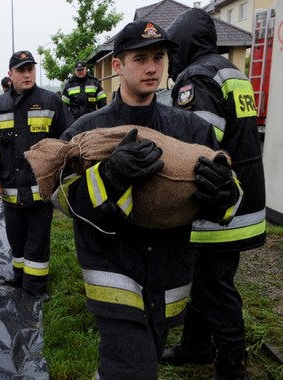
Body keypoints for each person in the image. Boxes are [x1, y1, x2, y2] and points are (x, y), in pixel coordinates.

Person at [56, 20, 242, 379]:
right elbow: (62, 198)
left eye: (159, 57)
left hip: (171, 275)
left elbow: (230, 196)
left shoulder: (191, 129)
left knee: (141, 358)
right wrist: (108, 177)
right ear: (118, 66)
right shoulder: (87, 131)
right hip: (113, 271)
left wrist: (223, 194)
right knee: (134, 369)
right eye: (140, 58)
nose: (152, 67)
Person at [162, 8, 266, 380]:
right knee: (207, 280)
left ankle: (232, 366)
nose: (169, 60)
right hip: (245, 197)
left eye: (172, 51)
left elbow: (196, 147)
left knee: (214, 288)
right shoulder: (231, 72)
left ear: (184, 46)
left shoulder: (197, 77)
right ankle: (196, 345)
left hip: (218, 207)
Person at [0, 50, 73, 295]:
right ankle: (19, 277)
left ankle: (34, 288)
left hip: (40, 191)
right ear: (10, 75)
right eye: (21, 70)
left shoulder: (51, 102)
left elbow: (68, 139)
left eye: (30, 69)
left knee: (37, 243)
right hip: (11, 193)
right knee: (16, 240)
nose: (27, 74)